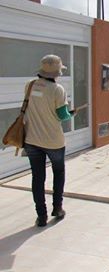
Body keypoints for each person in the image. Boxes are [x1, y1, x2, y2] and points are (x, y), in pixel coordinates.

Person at [24, 55, 75, 227]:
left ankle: (41, 216)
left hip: (31, 140)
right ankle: (57, 208)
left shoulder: (29, 85)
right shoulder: (57, 90)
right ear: (56, 72)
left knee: (37, 178)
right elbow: (62, 116)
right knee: (58, 173)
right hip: (53, 141)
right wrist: (70, 113)